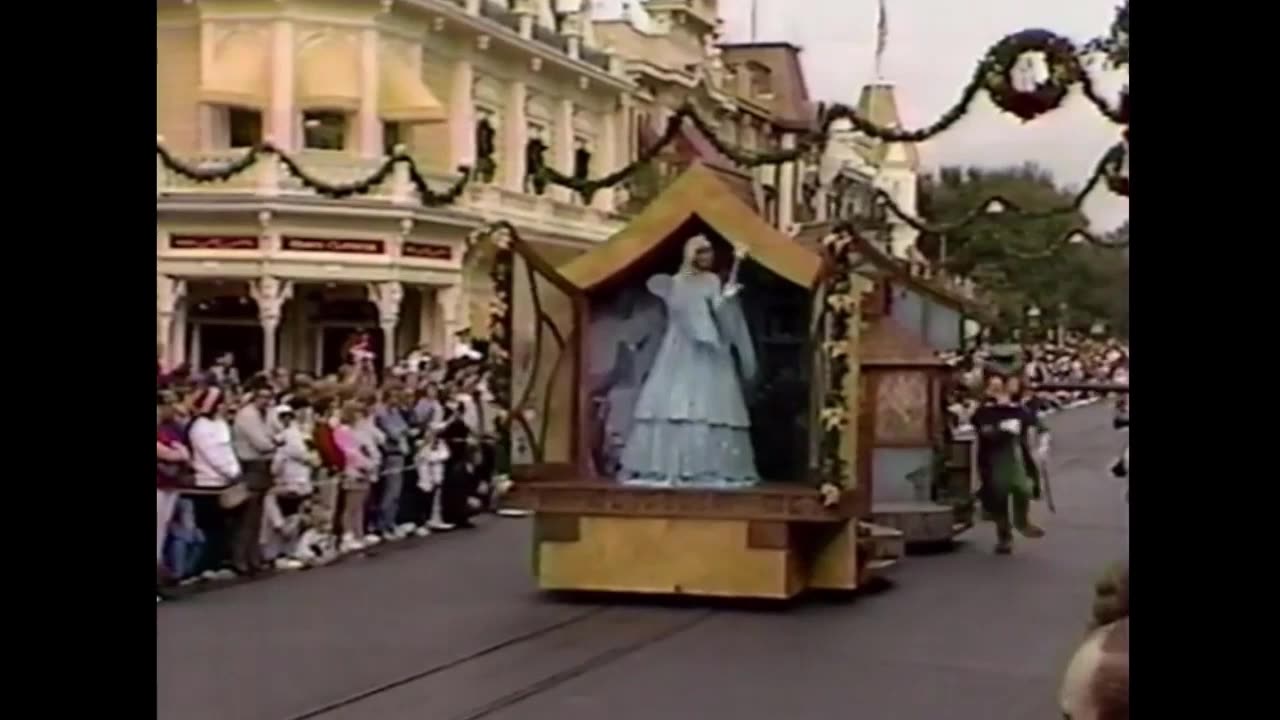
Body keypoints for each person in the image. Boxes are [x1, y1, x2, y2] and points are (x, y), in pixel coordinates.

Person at [618, 235, 759, 488]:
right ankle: (669, 467)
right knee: (674, 402)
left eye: (709, 253)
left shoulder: (712, 281)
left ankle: (708, 467)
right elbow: (681, 310)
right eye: (702, 252)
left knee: (711, 406)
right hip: (681, 346)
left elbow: (719, 311)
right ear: (691, 254)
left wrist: (728, 298)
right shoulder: (677, 282)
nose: (707, 257)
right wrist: (699, 327)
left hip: (710, 349)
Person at [972, 372, 1046, 554]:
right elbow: (984, 431)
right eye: (993, 386)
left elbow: (1039, 426)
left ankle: (1022, 521)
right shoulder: (985, 411)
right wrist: (1002, 428)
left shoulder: (1020, 410)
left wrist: (1043, 445)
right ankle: (1004, 536)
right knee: (999, 495)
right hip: (994, 459)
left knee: (1023, 488)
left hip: (1017, 456)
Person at [187, 387, 242, 575]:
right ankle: (204, 566)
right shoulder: (200, 427)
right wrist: (230, 471)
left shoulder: (220, 424)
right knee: (210, 528)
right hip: (207, 484)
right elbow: (212, 455)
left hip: (224, 483)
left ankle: (217, 562)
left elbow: (228, 450)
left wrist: (235, 471)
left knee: (222, 527)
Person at [230, 387, 278, 575]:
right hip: (250, 465)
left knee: (258, 515)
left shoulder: (266, 414)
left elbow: (278, 434)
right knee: (247, 516)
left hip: (263, 465)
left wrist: (274, 441)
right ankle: (240, 558)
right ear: (254, 396)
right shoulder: (247, 415)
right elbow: (262, 443)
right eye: (263, 396)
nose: (266, 401)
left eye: (269, 397)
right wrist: (275, 443)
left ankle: (253, 557)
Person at [157, 394, 192, 599]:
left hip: (170, 484)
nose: (170, 408)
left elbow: (186, 452)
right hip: (158, 485)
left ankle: (159, 579)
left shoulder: (171, 429)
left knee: (162, 533)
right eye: (166, 404)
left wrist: (179, 454)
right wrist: (177, 454)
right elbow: (168, 454)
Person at [335, 401, 376, 553]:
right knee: (351, 505)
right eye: (357, 412)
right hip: (352, 471)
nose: (360, 416)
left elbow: (365, 448)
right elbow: (350, 452)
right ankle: (348, 535)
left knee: (360, 505)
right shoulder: (343, 431)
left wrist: (369, 464)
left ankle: (359, 534)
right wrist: (363, 465)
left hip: (364, 470)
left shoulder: (358, 430)